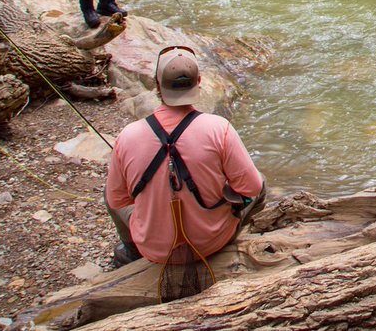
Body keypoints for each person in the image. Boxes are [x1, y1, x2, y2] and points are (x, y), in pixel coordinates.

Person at [105, 46, 266, 268]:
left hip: (156, 249)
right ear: (199, 82)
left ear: (157, 85)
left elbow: (117, 200)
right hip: (212, 242)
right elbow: (252, 188)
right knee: (261, 180)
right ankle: (239, 236)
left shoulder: (128, 136)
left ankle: (132, 253)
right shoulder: (219, 128)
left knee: (108, 193)